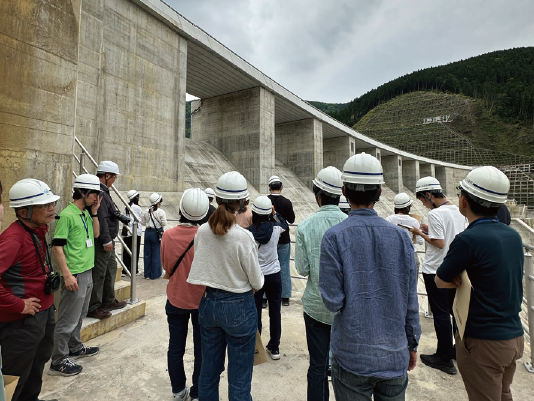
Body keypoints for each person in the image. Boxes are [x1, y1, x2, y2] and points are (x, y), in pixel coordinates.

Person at [320, 153, 421, 401]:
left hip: (352, 354)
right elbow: (410, 300)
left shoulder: (334, 237)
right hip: (394, 353)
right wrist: (412, 344)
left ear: (344, 191)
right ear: (379, 193)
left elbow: (333, 301)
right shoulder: (401, 238)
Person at [436, 166, 524, 401]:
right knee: (504, 394)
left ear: (463, 200)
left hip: (484, 340)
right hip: (514, 337)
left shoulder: (468, 239)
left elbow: (440, 280)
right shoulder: (513, 235)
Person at [187, 171, 264, 401]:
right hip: (239, 305)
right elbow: (257, 282)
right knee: (239, 379)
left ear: (218, 199)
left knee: (208, 373)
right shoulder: (243, 237)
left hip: (209, 304)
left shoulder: (201, 231)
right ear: (242, 203)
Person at [0, 179, 61, 401]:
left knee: (37, 364)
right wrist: (18, 304)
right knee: (14, 375)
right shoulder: (13, 239)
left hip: (42, 314)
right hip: (21, 323)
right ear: (24, 211)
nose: (51, 208)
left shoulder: (37, 231)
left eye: (51, 203)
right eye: (44, 205)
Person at [295, 166, 347, 401]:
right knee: (344, 367)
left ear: (318, 195)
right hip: (345, 309)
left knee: (317, 366)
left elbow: (302, 269)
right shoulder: (349, 224)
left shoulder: (305, 226)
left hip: (315, 306)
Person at [410, 176, 465, 375]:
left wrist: (420, 232)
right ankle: (458, 352)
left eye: (423, 200)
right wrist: (429, 231)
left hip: (435, 271)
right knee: (456, 313)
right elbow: (451, 237)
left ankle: (444, 357)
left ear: (429, 195)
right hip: (455, 269)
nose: (423, 204)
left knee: (440, 314)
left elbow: (440, 243)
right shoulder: (458, 211)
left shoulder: (435, 214)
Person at [49, 174, 102, 376]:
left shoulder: (86, 213)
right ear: (82, 192)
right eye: (94, 194)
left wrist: (95, 212)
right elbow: (57, 247)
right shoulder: (67, 215)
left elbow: (96, 235)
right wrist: (67, 275)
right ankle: (58, 359)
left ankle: (75, 346)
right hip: (75, 273)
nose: (96, 197)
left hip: (87, 270)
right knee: (67, 318)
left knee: (79, 315)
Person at [162, 188, 210, 401]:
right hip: (202, 300)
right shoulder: (207, 236)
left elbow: (167, 267)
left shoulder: (168, 235)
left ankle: (178, 391)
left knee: (175, 348)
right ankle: (198, 391)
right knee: (202, 350)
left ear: (181, 208)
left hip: (176, 297)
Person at [246, 196, 288, 360]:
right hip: (274, 275)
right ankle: (274, 347)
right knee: (275, 312)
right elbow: (285, 224)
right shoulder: (276, 228)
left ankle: (255, 348)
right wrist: (275, 213)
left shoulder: (248, 232)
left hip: (257, 277)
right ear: (268, 213)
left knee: (255, 312)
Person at [87, 161, 127, 319]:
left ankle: (108, 300)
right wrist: (105, 240)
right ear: (107, 175)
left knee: (110, 269)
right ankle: (94, 306)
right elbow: (101, 218)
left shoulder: (103, 191)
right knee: (99, 273)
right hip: (104, 240)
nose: (114, 181)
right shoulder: (100, 192)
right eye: (114, 177)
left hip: (108, 238)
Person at [268, 175, 295, 306]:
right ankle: (285, 297)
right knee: (284, 266)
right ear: (281, 188)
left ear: (269, 188)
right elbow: (291, 220)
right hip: (283, 239)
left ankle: (264, 298)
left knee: (266, 265)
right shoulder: (287, 202)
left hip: (267, 238)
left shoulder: (265, 201)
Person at [141, 193, 167, 280]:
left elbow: (143, 223)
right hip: (156, 232)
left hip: (147, 232)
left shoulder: (146, 211)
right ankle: (155, 274)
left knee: (147, 253)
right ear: (158, 202)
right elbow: (164, 223)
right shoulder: (161, 212)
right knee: (156, 253)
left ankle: (147, 274)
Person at [122, 190, 143, 275]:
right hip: (135, 231)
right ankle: (134, 270)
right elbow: (140, 218)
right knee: (135, 251)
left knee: (126, 251)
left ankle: (125, 269)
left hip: (127, 231)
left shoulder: (126, 206)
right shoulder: (137, 207)